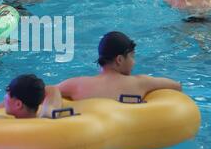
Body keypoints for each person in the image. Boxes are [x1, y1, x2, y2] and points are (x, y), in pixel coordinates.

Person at [52, 32, 181, 102]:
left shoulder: (77, 84)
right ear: (119, 59)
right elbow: (177, 86)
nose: (134, 62)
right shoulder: (140, 83)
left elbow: (48, 90)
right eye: (132, 57)